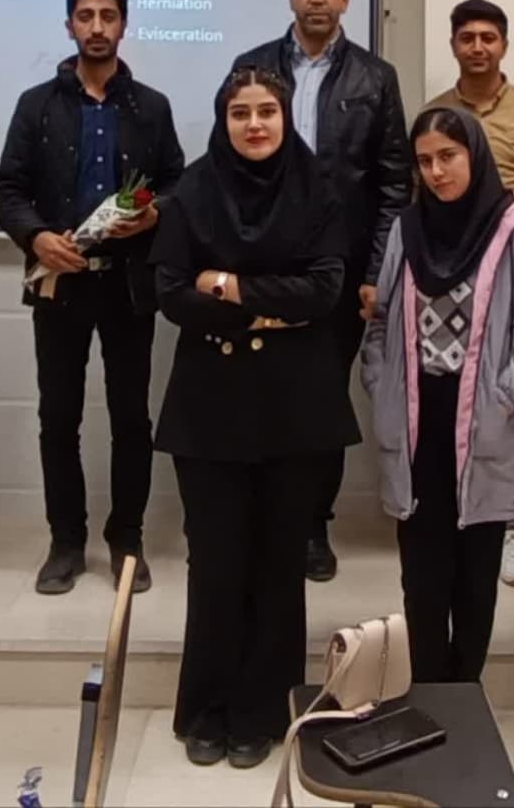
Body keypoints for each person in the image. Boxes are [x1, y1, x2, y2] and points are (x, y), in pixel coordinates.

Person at [151, 66, 359, 769]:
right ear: (223, 120)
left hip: (293, 408)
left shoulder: (319, 188)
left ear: (285, 114)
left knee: (278, 563)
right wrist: (267, 306)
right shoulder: (192, 191)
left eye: (267, 110)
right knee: (215, 563)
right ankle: (207, 709)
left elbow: (323, 290)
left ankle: (262, 711)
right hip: (210, 408)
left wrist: (229, 284)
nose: (255, 124)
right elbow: (171, 292)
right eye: (240, 113)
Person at [0, 0, 184, 595]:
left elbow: (177, 182)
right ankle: (66, 543)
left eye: (107, 15)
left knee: (132, 419)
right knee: (59, 418)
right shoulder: (37, 105)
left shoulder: (151, 107)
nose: (97, 26)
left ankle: (127, 540)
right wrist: (35, 237)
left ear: (124, 24)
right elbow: (8, 189)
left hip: (128, 286)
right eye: (85, 15)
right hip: (60, 282)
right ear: (69, 25)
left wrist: (155, 215)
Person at [361, 107, 514, 683]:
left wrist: (507, 394)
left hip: (484, 422)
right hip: (418, 420)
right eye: (425, 161)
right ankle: (428, 694)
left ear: (475, 154)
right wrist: (380, 381)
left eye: (448, 156)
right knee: (422, 578)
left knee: (475, 579)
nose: (437, 172)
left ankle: (464, 695)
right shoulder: (408, 228)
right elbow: (381, 318)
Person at [232, 0, 409, 582]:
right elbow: (231, 167)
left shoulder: (375, 78)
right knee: (259, 394)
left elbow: (394, 185)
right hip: (263, 264)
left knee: (322, 399)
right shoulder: (252, 67)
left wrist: (375, 274)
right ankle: (261, 520)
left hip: (339, 270)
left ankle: (312, 526)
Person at [425, 0, 514, 589]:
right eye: (467, 37)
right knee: (454, 393)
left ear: (503, 44)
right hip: (447, 267)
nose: (478, 47)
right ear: (453, 45)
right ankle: (451, 511)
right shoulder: (435, 113)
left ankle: (510, 525)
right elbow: (420, 192)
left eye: (488, 37)